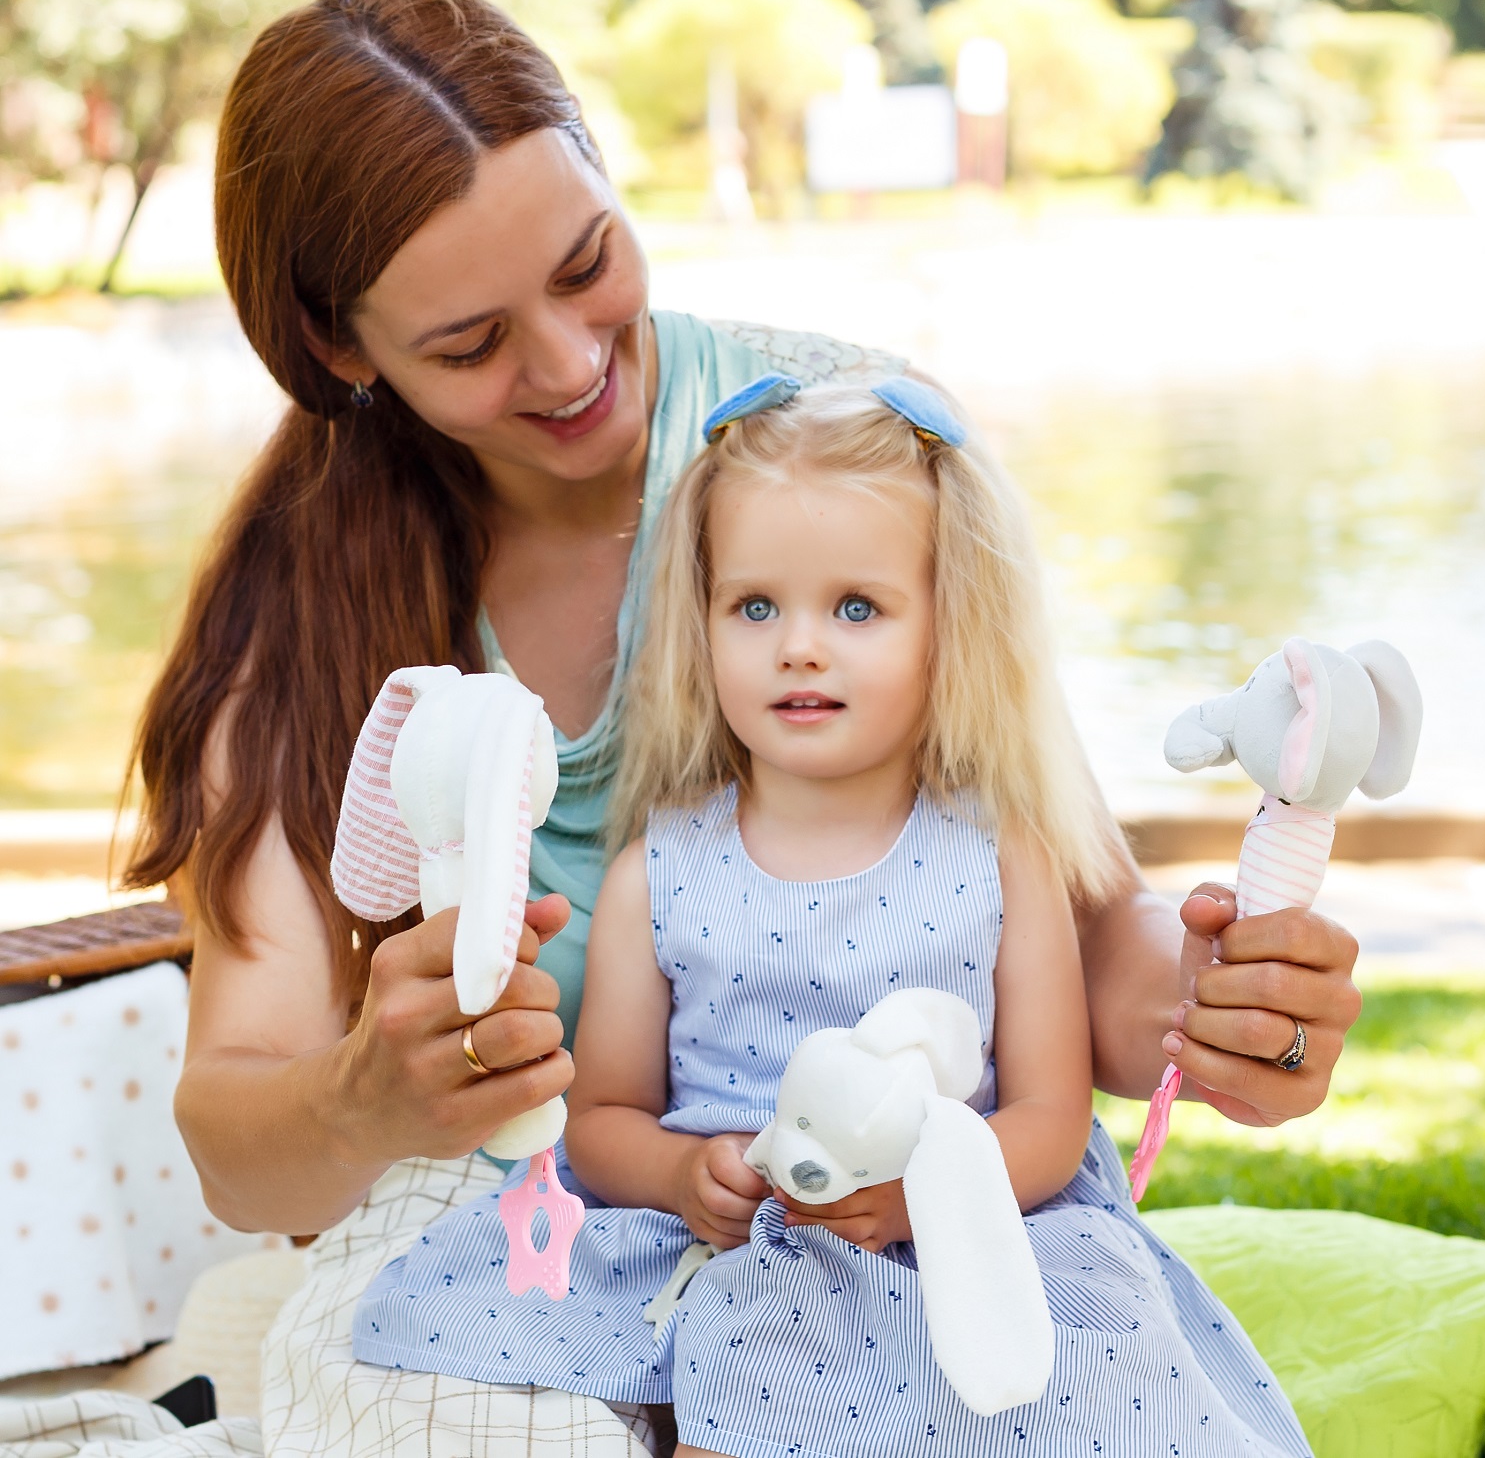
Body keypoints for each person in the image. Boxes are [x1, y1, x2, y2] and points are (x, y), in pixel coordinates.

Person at [121, 0, 1358, 1455]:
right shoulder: (301, 619)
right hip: (535, 1230)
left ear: (600, 163)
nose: (574, 366)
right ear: (341, 349)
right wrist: (366, 1097)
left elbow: (1070, 912)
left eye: (588, 262)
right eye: (470, 345)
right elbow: (239, 1140)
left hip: (902, 1234)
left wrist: (1213, 1007)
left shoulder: (846, 443)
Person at [351, 379, 1311, 1458]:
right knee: (725, 1362)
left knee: (1099, 1374)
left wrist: (915, 1203)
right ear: (701, 621)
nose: (800, 647)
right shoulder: (659, 872)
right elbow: (605, 1115)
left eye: (856, 608)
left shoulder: (1000, 856)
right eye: (755, 607)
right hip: (745, 1248)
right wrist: (680, 1174)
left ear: (949, 626)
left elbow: (1049, 1117)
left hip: (963, 1229)